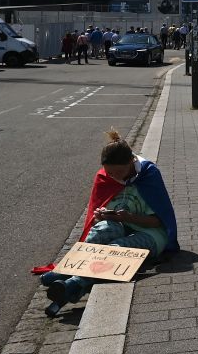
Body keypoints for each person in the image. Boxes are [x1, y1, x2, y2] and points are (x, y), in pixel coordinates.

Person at [41, 129, 179, 316]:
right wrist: (101, 216)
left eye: (119, 172)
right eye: (110, 173)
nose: (115, 177)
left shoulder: (149, 175)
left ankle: (73, 282)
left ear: (131, 161)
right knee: (100, 231)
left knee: (117, 248)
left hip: (152, 233)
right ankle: (70, 275)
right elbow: (99, 209)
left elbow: (158, 221)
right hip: (122, 223)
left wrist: (127, 217)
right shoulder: (107, 176)